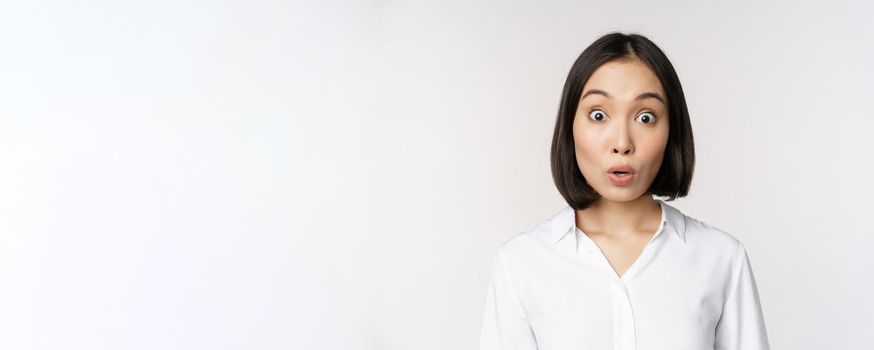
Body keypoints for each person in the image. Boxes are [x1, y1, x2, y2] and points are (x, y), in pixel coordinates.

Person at [478, 32, 770, 350]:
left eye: (646, 117)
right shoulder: (520, 263)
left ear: (671, 131)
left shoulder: (721, 259)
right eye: (599, 115)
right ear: (570, 126)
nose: (622, 143)